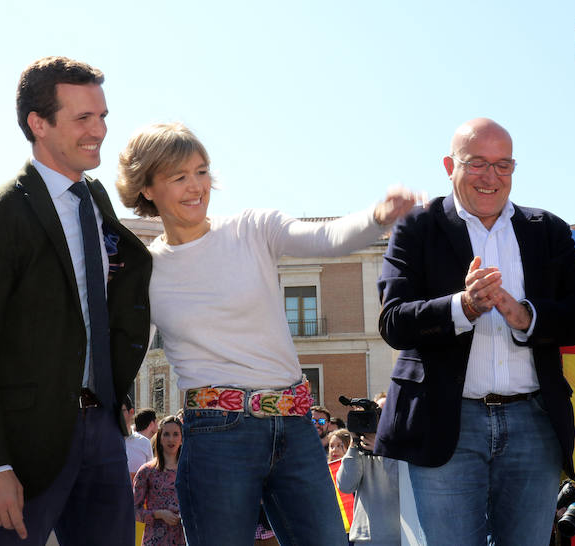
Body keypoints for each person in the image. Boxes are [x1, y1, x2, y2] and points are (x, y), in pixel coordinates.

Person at [115, 121, 420, 545]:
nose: (196, 186)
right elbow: (123, 352)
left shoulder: (251, 228)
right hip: (216, 436)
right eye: (178, 176)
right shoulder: (146, 272)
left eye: (201, 171)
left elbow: (324, 237)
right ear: (147, 188)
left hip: (295, 427)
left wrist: (376, 216)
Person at [374, 117, 575, 545]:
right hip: (446, 424)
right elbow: (393, 321)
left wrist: (524, 316)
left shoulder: (546, 230)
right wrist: (463, 306)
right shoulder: (417, 228)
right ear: (450, 165)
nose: (492, 177)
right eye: (478, 163)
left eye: (504, 165)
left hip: (533, 424)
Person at [0, 56, 151, 546]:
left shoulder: (98, 204)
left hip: (103, 430)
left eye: (102, 116)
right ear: (39, 123)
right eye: (83, 117)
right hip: (23, 445)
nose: (99, 130)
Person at [336, 432, 401, 546]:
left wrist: (384, 448)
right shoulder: (360, 449)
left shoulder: (405, 443)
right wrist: (353, 445)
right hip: (366, 538)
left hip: (401, 536)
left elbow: (404, 481)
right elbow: (345, 486)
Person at [133, 415, 185, 545]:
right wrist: (159, 514)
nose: (171, 439)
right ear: (160, 438)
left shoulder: (189, 472)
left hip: (183, 538)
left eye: (175, 434)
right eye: (166, 434)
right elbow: (133, 511)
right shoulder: (146, 471)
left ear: (182, 439)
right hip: (155, 540)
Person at [124, 396, 154, 481]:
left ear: (131, 412)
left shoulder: (144, 442)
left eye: (121, 411)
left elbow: (150, 476)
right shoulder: (106, 443)